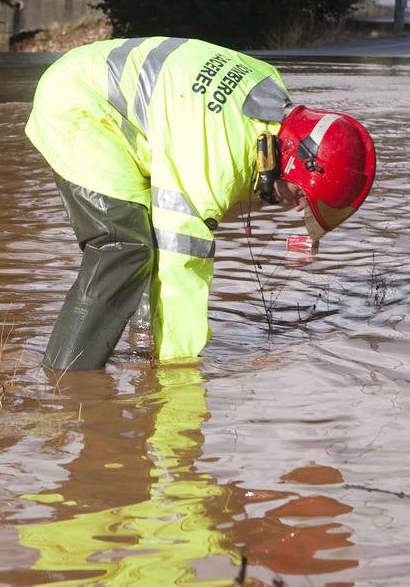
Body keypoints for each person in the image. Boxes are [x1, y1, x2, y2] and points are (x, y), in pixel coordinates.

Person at [25, 37, 376, 371]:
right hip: (78, 104)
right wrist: (178, 371)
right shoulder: (215, 160)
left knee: (148, 232)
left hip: (102, 84)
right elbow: (183, 268)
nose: (297, 208)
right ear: (290, 160)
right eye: (301, 195)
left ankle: (143, 338)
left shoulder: (268, 96)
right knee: (123, 246)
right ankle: (67, 378)